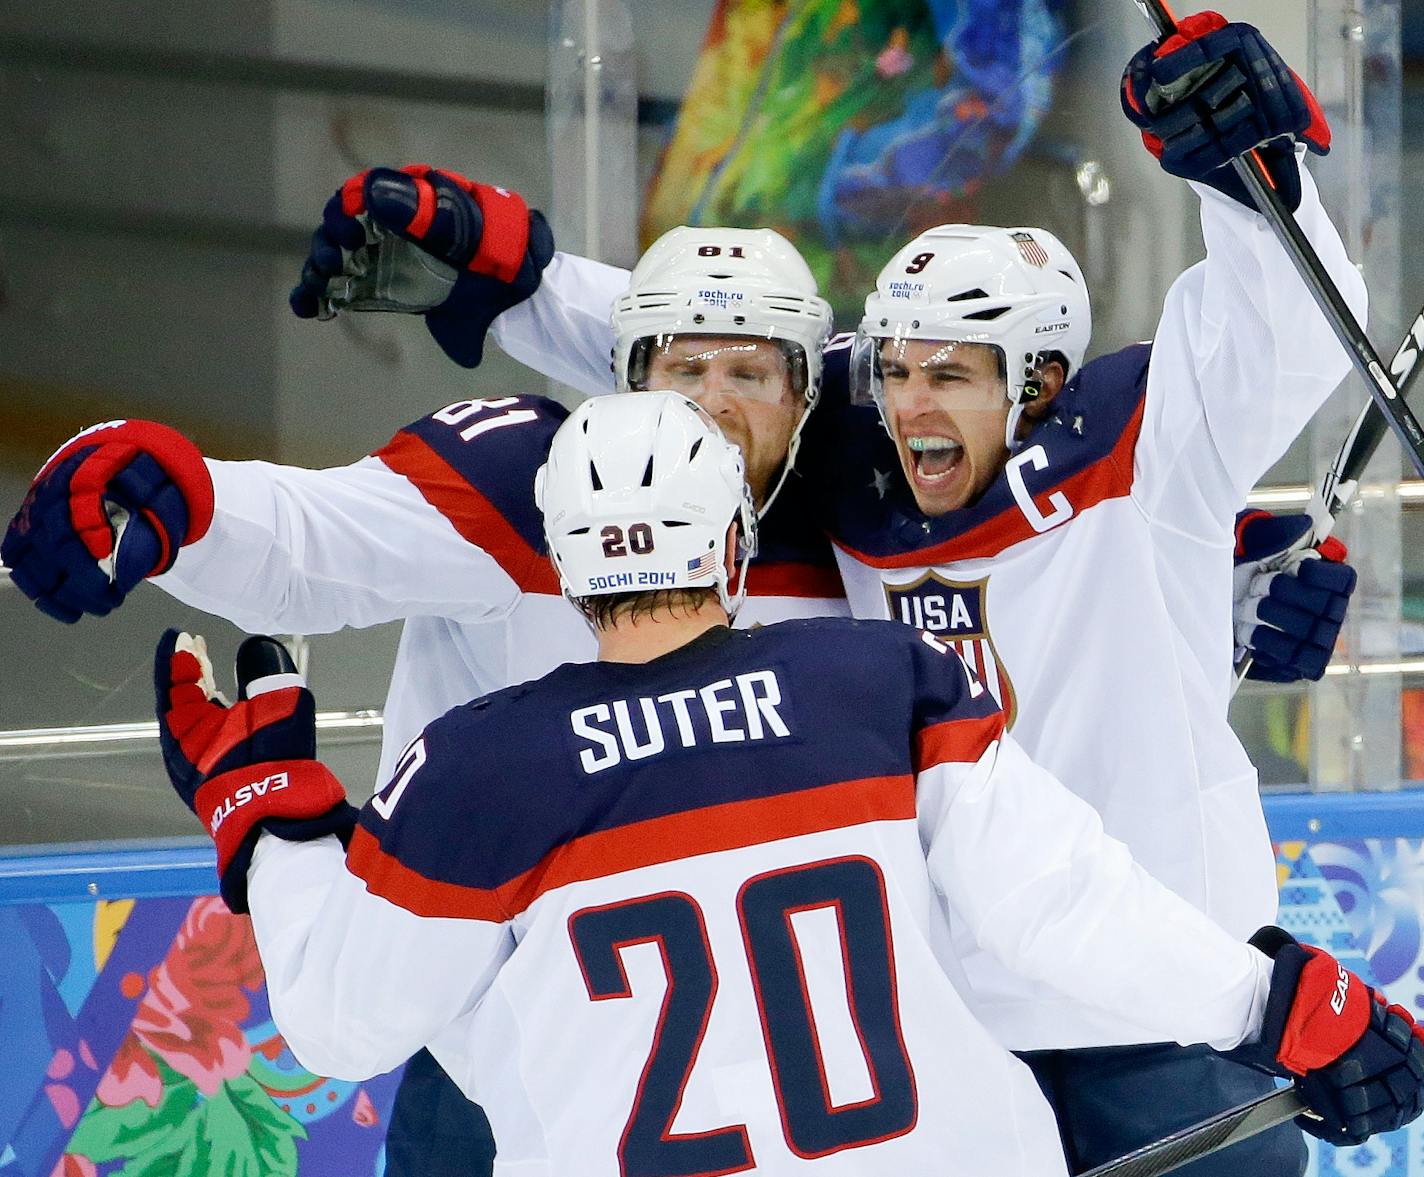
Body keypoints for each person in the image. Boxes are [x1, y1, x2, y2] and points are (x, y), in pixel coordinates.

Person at [0, 15, 1357, 1174]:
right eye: (674, 376)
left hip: (899, 1058)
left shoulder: (878, 479)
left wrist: (1221, 581)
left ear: (809, 390)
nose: (708, 410)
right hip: (513, 1058)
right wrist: (185, 503)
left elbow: (1094, 598)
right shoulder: (608, 501)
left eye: (752, 377)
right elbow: (319, 534)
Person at [152, 393, 1424, 1177]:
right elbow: (1058, 903)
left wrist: (266, 808)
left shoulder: (477, 769)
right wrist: (1277, 1001)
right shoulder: (877, 684)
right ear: (730, 541)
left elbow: (342, 1024)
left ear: (562, 550)